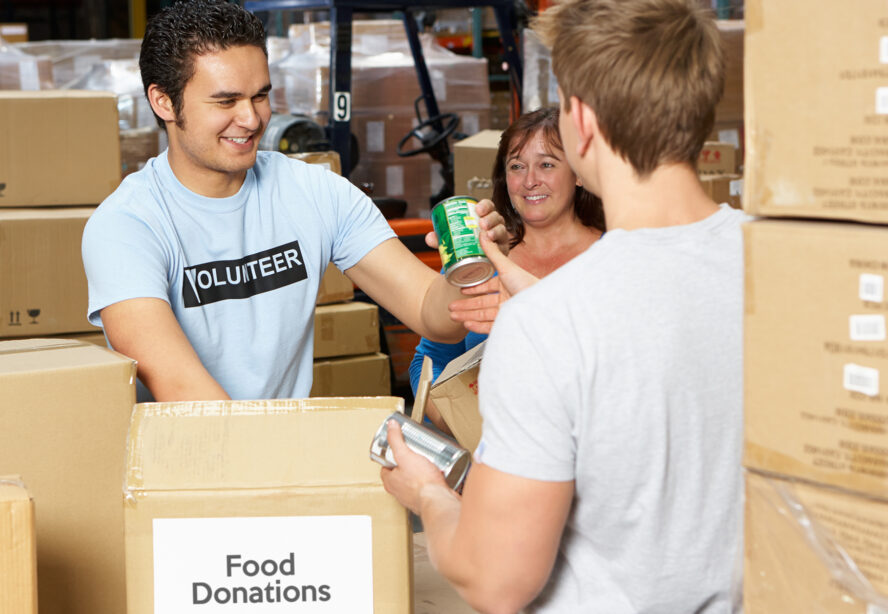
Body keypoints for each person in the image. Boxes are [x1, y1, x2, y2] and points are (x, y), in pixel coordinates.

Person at [381, 0, 750, 612]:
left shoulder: (546, 326)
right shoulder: (775, 263)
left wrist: (428, 494)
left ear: (579, 121)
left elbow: (495, 578)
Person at [81, 0, 507, 402]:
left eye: (260, 96)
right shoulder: (127, 225)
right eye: (226, 101)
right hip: (186, 462)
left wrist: (470, 271)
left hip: (281, 448)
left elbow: (431, 314)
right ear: (163, 102)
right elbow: (179, 387)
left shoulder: (315, 191)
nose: (251, 119)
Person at [408, 107, 604, 431]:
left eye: (547, 164)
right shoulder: (481, 256)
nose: (529, 181)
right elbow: (428, 360)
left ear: (579, 173)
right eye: (517, 166)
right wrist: (457, 422)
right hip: (497, 454)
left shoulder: (612, 256)